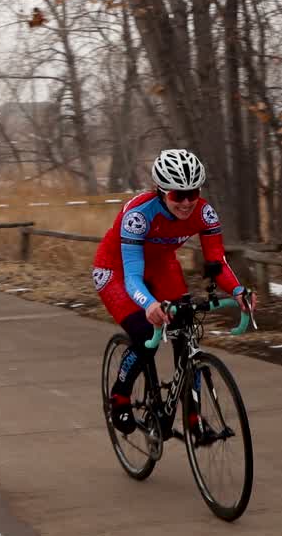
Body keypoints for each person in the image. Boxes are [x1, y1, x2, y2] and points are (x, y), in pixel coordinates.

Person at [92, 148, 257, 434]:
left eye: (193, 192)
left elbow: (217, 260)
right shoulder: (138, 215)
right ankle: (119, 397)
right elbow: (132, 276)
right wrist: (150, 304)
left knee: (185, 327)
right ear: (160, 191)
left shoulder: (204, 213)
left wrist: (240, 291)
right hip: (116, 271)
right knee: (145, 334)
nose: (186, 202)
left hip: (161, 266)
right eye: (177, 195)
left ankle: (193, 418)